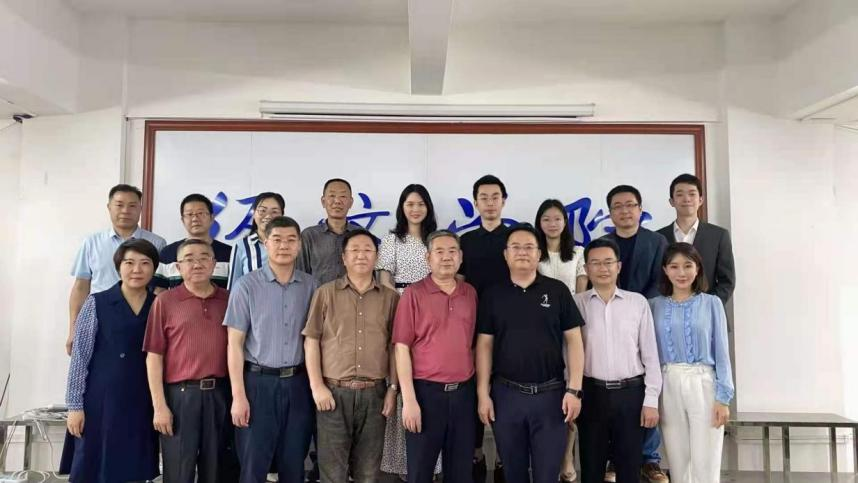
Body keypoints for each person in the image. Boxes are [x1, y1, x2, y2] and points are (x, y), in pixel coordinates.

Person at [476, 224, 585, 483]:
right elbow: (484, 346)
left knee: (547, 474)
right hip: (506, 396)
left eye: (529, 247)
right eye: (515, 247)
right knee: (513, 474)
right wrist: (482, 394)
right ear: (506, 254)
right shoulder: (492, 295)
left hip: (551, 396)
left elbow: (574, 341)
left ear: (539, 254)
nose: (522, 252)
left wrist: (574, 390)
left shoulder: (558, 291)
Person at [224, 216, 319, 483]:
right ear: (266, 243)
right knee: (253, 465)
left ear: (299, 245)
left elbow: (316, 340)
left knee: (294, 463)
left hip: (298, 384)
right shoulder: (246, 286)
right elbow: (234, 344)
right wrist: (238, 396)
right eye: (277, 239)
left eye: (290, 240)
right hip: (258, 384)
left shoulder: (311, 286)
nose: (284, 246)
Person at [302, 229, 399, 483]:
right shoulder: (325, 293)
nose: (361, 255)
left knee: (368, 473)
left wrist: (392, 389)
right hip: (333, 394)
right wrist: (317, 387)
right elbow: (311, 341)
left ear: (376, 257)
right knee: (332, 472)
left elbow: (395, 347)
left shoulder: (390, 298)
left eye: (367, 250)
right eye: (354, 250)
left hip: (375, 395)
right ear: (343, 258)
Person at [61, 239, 161, 483]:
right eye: (129, 263)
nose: (136, 270)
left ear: (154, 269)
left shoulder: (159, 305)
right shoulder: (97, 302)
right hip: (101, 401)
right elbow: (80, 358)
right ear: (118, 267)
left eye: (145, 263)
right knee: (94, 468)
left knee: (134, 469)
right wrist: (74, 406)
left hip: (143, 400)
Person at [144, 239, 238, 483]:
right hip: (180, 397)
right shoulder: (165, 302)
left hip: (220, 395)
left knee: (216, 470)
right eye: (189, 259)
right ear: (178, 267)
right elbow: (154, 357)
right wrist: (159, 406)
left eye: (204, 258)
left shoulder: (230, 300)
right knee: (178, 471)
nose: (197, 264)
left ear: (214, 264)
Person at [573, 238, 662, 483]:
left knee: (629, 469)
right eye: (595, 263)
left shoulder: (637, 302)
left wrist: (651, 400)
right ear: (587, 268)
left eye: (608, 262)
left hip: (631, 395)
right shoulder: (576, 304)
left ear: (619, 266)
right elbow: (568, 354)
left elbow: (651, 356)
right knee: (591, 468)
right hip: (591, 394)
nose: (603, 268)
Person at [394, 230, 478, 483]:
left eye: (452, 251)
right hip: (425, 395)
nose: (446, 257)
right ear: (428, 258)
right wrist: (409, 400)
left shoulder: (470, 293)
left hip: (464, 395)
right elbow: (401, 348)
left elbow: (475, 344)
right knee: (420, 471)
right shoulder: (414, 294)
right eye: (439, 251)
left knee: (461, 472)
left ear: (460, 257)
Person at [600, 184, 669, 483]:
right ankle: (614, 458)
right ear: (610, 213)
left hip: (647, 315)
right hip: (609, 320)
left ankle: (650, 458)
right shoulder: (603, 243)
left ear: (640, 209)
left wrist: (636, 305)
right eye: (617, 206)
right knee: (613, 391)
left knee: (647, 386)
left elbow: (661, 280)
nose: (624, 211)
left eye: (630, 205)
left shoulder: (657, 241)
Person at [649, 243, 734, 483]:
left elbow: (722, 352)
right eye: (674, 266)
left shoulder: (712, 303)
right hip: (668, 382)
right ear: (665, 270)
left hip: (703, 382)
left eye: (688, 266)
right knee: (678, 459)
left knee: (706, 458)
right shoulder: (653, 306)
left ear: (698, 269)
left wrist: (723, 398)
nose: (681, 273)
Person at [376, 184, 442, 480]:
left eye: (420, 204)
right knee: (402, 378)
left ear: (428, 207)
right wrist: (403, 307)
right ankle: (404, 465)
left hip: (434, 313)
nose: (415, 209)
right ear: (402, 207)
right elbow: (385, 279)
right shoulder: (392, 239)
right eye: (410, 204)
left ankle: (431, 464)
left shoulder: (435, 239)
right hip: (402, 307)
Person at [68, 184, 166, 354]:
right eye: (119, 205)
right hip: (99, 319)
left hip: (143, 320)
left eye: (132, 205)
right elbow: (81, 287)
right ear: (109, 207)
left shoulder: (157, 243)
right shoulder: (92, 243)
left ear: (140, 208)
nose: (125, 211)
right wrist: (73, 329)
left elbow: (160, 289)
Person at [458, 174, 511, 482]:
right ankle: (475, 455)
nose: (490, 203)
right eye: (484, 198)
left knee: (503, 391)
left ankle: (505, 459)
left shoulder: (515, 237)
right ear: (475, 203)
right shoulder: (466, 241)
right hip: (473, 327)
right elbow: (459, 285)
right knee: (473, 391)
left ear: (504, 201)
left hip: (509, 326)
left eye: (495, 197)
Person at [534, 199, 587, 483]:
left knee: (570, 391)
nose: (552, 224)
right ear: (539, 223)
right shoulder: (534, 253)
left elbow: (580, 296)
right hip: (540, 330)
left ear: (565, 222)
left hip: (567, 329)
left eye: (557, 218)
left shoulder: (578, 253)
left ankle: (566, 457)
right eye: (546, 219)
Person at [656, 174, 736, 305]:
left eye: (692, 194)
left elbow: (727, 281)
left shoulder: (719, 235)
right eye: (680, 194)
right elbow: (656, 279)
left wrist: (709, 306)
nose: (686, 199)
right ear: (671, 201)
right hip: (668, 310)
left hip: (707, 311)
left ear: (701, 200)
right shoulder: (658, 237)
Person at [154, 193, 232, 291]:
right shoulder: (168, 253)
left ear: (212, 218)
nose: (195, 219)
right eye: (189, 214)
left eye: (201, 213)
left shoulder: (229, 253)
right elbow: (159, 290)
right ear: (183, 220)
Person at [298, 178, 362, 284]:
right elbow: (301, 273)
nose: (337, 201)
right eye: (332, 196)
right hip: (317, 294)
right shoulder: (309, 235)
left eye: (343, 196)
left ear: (351, 202)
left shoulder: (361, 235)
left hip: (353, 294)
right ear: (323, 201)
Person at [226, 191, 284, 290]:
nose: (268, 216)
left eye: (274, 212)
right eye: (262, 210)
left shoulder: (291, 245)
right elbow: (233, 287)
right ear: (253, 213)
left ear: (282, 215)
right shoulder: (242, 246)